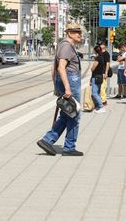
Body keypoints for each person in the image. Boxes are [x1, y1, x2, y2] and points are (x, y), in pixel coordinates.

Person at [37, 22, 84, 157]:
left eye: (80, 32)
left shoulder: (66, 46)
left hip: (67, 81)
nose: (79, 34)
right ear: (69, 33)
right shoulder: (66, 46)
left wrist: (57, 86)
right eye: (76, 32)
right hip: (71, 82)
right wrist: (67, 88)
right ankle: (69, 147)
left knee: (66, 114)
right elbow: (60, 67)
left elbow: (54, 68)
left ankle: (47, 140)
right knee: (74, 114)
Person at [90, 45, 106, 113]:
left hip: (96, 77)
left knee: (94, 93)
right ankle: (99, 107)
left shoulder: (98, 58)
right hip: (100, 76)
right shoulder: (102, 57)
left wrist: (92, 68)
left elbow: (93, 68)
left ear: (95, 51)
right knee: (98, 92)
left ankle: (101, 107)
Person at [99, 41, 111, 105]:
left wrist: (106, 72)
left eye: (101, 45)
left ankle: (104, 100)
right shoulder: (100, 53)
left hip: (103, 72)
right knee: (100, 87)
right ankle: (101, 99)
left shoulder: (106, 54)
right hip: (99, 72)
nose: (100, 46)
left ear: (104, 46)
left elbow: (108, 63)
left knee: (102, 87)